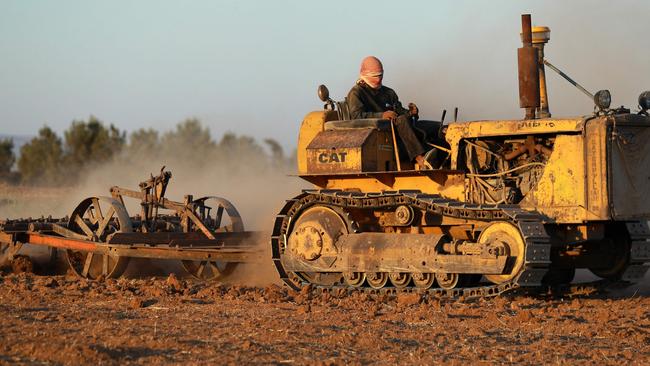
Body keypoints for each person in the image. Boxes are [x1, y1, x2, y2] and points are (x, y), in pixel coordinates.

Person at [347, 56, 429, 169]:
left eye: (380, 75)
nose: (378, 79)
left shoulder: (388, 93)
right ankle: (420, 158)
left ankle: (439, 156)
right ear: (364, 75)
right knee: (401, 121)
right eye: (375, 76)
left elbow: (400, 111)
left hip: (398, 129)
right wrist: (382, 116)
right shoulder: (356, 93)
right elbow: (356, 116)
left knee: (433, 126)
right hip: (378, 135)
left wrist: (411, 113)